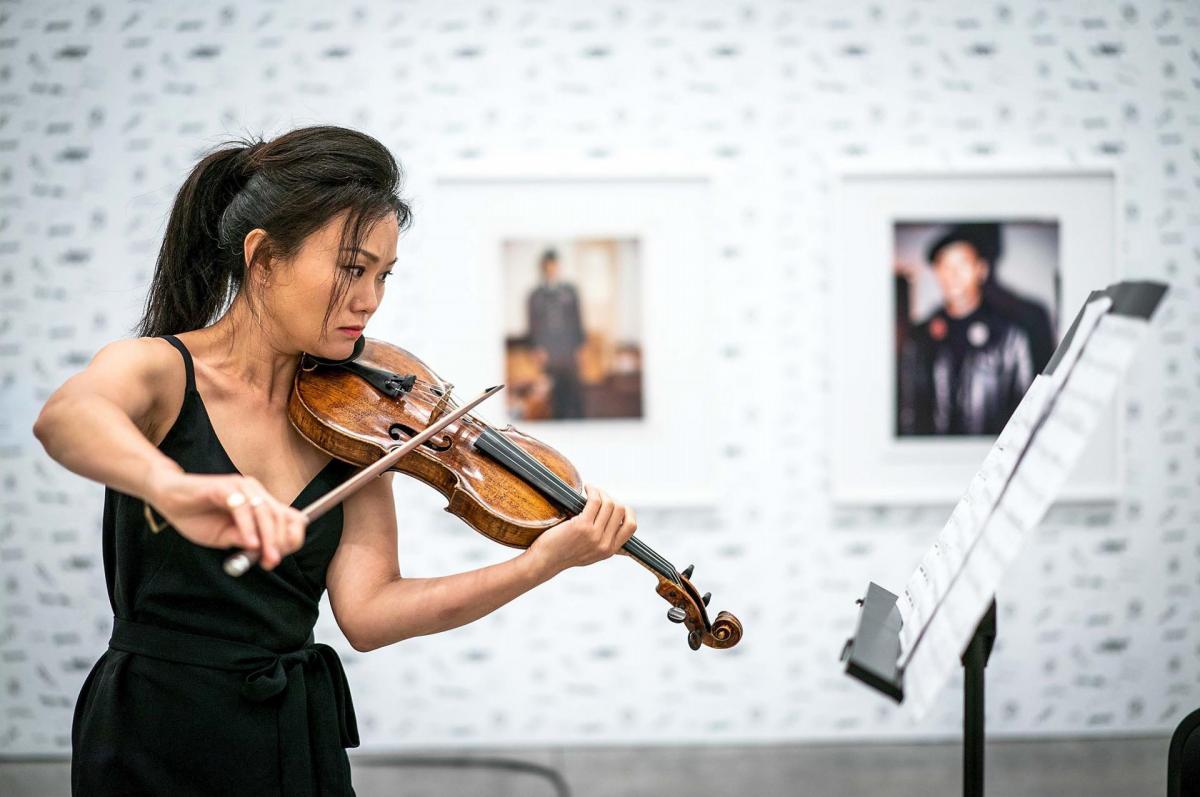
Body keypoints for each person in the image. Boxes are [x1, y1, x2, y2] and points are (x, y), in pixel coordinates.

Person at [32, 126, 638, 796]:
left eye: (382, 274)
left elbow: (370, 611)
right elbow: (66, 418)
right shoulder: (160, 369)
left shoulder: (350, 418)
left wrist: (537, 563)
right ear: (262, 258)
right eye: (352, 268)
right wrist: (170, 487)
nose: (370, 299)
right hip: (153, 731)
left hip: (292, 740)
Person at [897, 224, 1037, 436]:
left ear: (981, 269)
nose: (953, 274)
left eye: (962, 263)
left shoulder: (1011, 337)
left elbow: (1027, 413)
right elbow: (908, 413)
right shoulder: (919, 338)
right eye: (944, 264)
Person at [526, 249, 587, 419]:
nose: (552, 269)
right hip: (548, 352)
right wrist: (536, 348)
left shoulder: (570, 291)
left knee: (574, 389)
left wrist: (580, 346)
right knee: (553, 392)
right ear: (544, 267)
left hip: (568, 349)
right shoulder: (535, 295)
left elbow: (577, 319)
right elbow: (533, 324)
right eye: (548, 266)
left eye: (554, 265)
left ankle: (577, 422)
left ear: (558, 266)